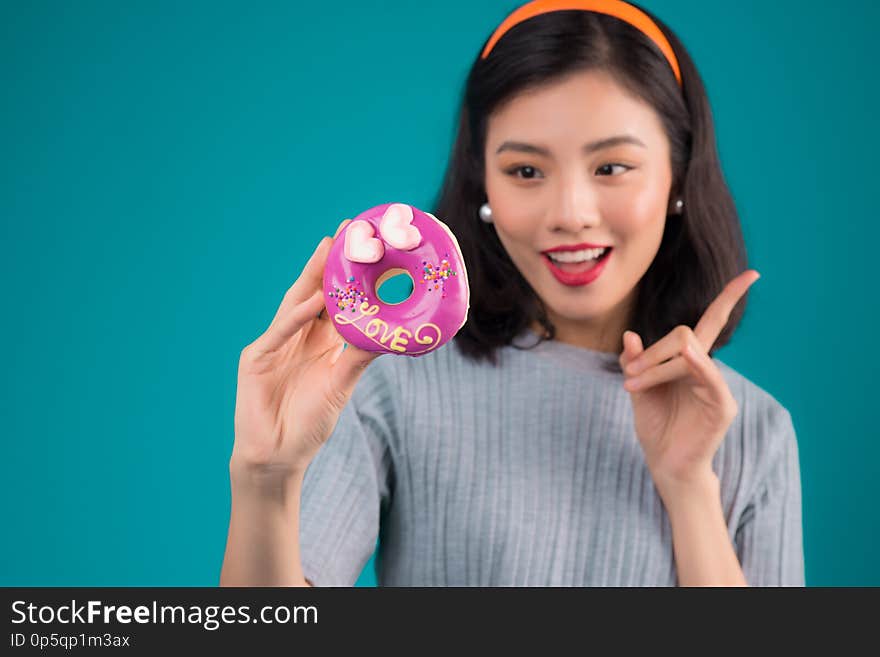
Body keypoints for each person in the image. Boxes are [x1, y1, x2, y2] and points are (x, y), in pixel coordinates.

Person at [220, 0, 804, 587]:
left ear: (678, 175)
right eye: (526, 171)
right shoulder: (391, 384)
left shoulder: (755, 430)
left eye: (612, 168)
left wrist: (689, 488)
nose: (570, 215)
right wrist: (264, 479)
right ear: (484, 186)